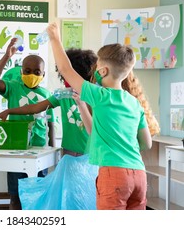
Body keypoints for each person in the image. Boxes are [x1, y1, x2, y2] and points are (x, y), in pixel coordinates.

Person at [48, 22, 152, 210]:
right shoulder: (134, 102)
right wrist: (81, 105)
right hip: (139, 174)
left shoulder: (100, 95)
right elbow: (146, 143)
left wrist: (55, 38)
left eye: (97, 66)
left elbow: (65, 69)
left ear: (103, 71)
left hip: (114, 175)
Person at [0, 38, 55, 210]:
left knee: (38, 196)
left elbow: (51, 124)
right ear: (21, 72)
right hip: (16, 150)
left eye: (37, 72)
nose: (32, 74)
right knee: (16, 196)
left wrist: (53, 152)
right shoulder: (13, 87)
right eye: (27, 70)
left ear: (43, 75)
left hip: (39, 151)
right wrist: (6, 56)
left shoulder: (47, 94)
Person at [0, 48, 97, 156]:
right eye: (64, 75)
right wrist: (9, 111)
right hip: (68, 151)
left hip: (90, 152)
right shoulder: (62, 95)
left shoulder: (94, 95)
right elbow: (35, 108)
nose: (66, 80)